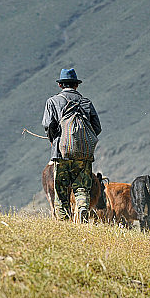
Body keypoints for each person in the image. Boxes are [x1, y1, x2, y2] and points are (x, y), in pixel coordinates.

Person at [42, 68, 102, 221]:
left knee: (61, 190)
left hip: (60, 154)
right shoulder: (86, 103)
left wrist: (54, 139)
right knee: (82, 188)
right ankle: (82, 208)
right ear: (76, 85)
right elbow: (97, 128)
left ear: (61, 85)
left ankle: (63, 221)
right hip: (84, 155)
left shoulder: (53, 102)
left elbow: (48, 125)